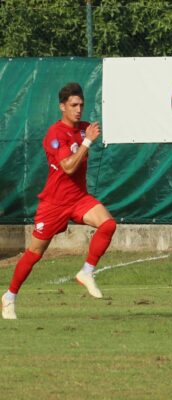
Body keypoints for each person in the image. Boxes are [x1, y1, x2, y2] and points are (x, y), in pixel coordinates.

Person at [1, 82, 116, 320]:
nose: (78, 109)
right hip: (54, 204)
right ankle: (9, 297)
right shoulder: (55, 134)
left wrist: (92, 136)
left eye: (81, 105)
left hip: (79, 199)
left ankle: (86, 272)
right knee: (34, 253)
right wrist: (87, 143)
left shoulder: (85, 128)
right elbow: (68, 167)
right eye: (73, 105)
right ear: (62, 106)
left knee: (108, 224)